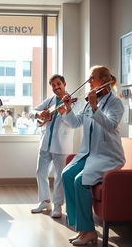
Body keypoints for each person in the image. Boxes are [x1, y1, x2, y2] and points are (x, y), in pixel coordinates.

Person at [62, 65, 125, 246]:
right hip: (90, 153)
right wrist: (68, 108)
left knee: (80, 182)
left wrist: (96, 107)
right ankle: (81, 228)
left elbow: (111, 125)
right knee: (66, 175)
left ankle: (89, 231)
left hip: (108, 156)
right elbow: (75, 123)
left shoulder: (115, 102)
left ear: (104, 80)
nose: (89, 81)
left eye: (92, 77)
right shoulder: (92, 99)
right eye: (89, 77)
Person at [30, 74, 77, 218]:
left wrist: (65, 111)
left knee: (59, 177)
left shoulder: (74, 101)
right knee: (41, 172)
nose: (56, 87)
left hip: (62, 145)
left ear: (64, 83)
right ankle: (45, 201)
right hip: (45, 143)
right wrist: (40, 115)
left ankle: (58, 206)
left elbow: (74, 122)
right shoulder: (50, 100)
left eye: (58, 84)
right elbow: (32, 111)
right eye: (53, 86)